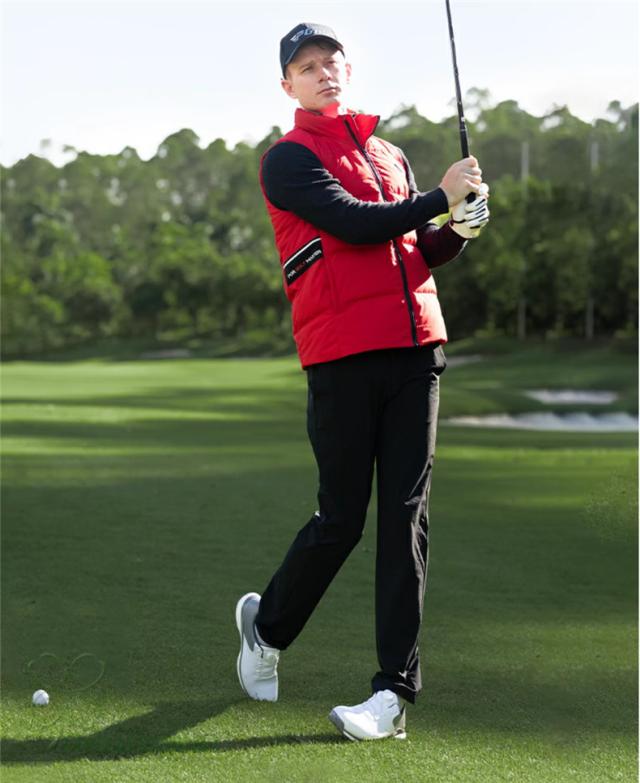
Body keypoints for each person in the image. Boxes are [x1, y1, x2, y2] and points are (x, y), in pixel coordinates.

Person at [235, 22, 490, 742]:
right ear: (288, 85)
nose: (324, 73)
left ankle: (392, 696)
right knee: (341, 519)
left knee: (405, 519)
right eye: (307, 66)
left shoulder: (389, 154)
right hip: (341, 355)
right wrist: (439, 196)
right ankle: (266, 628)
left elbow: (412, 249)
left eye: (332, 61)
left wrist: (458, 228)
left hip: (416, 352)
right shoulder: (286, 160)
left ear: (348, 70)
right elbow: (352, 225)